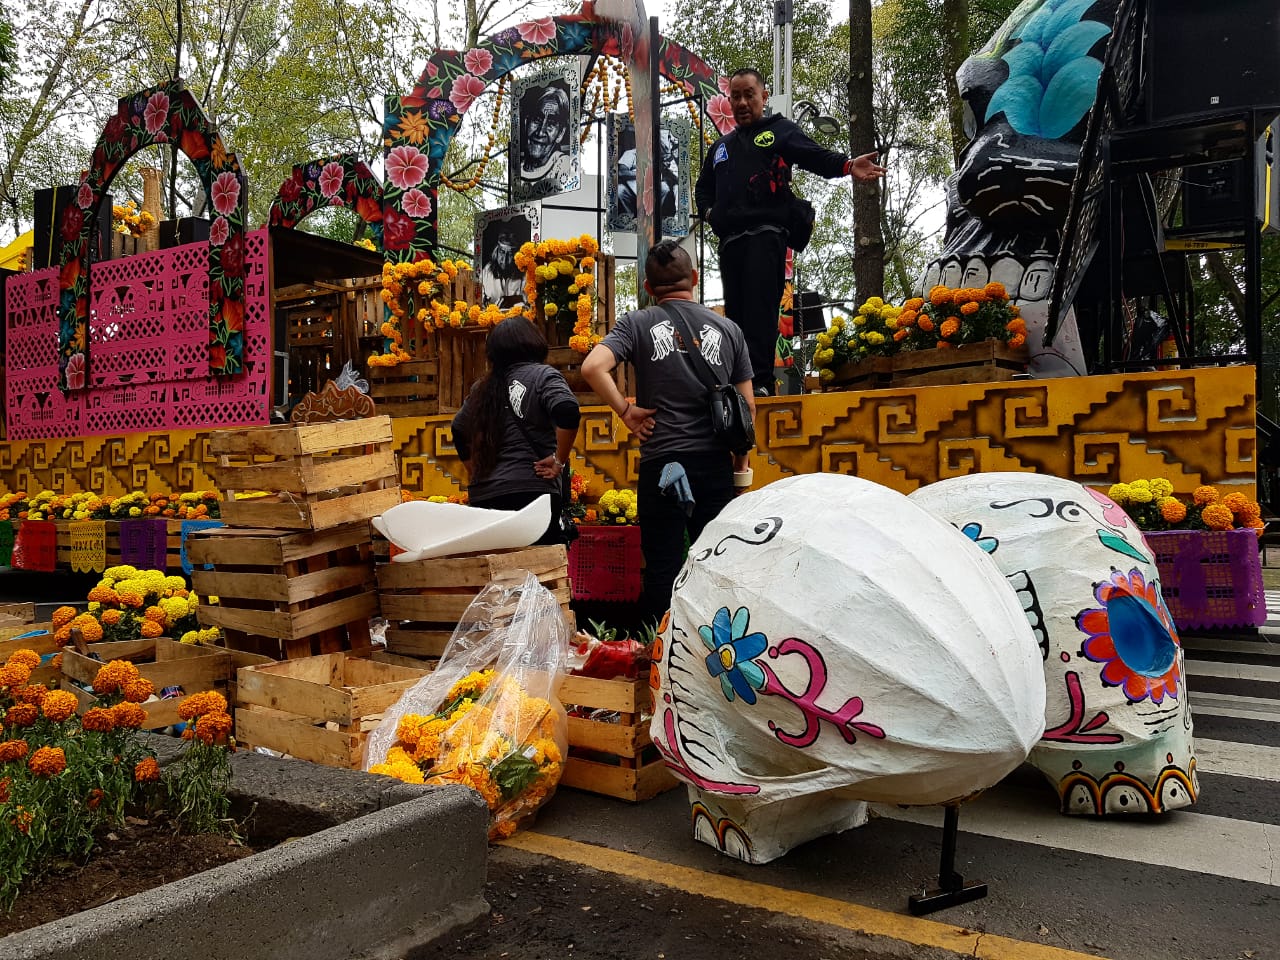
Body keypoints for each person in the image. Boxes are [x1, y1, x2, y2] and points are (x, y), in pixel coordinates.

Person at [581, 239, 754, 623]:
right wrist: (740, 475)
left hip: (662, 464)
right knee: (717, 567)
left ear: (648, 288)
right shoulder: (729, 330)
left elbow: (592, 367)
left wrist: (626, 410)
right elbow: (747, 410)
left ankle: (658, 659)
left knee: (662, 567)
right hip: (714, 467)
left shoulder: (637, 323)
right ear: (694, 278)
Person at [695, 67, 886, 396]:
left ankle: (761, 383)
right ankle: (740, 383)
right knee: (735, 314)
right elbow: (703, 189)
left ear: (763, 97)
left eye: (748, 95)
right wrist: (711, 213)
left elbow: (813, 155)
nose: (742, 102)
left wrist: (847, 165)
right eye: (735, 96)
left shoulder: (779, 131)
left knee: (761, 309)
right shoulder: (721, 147)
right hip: (730, 243)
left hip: (767, 235)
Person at [451, 318, 580, 544]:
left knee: (499, 570)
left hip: (486, 498)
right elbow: (567, 410)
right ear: (534, 342)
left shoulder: (481, 388)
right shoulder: (543, 376)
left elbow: (459, 430)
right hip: (532, 494)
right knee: (540, 570)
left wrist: (476, 472)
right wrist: (559, 460)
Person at [517, 83, 573, 192]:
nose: (540, 132)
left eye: (551, 124)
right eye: (537, 120)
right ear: (526, 123)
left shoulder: (564, 166)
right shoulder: (516, 169)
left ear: (560, 133)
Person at [479, 222, 525, 308]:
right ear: (496, 251)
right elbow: (478, 298)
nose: (504, 259)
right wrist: (484, 301)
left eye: (510, 254)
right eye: (502, 252)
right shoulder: (486, 271)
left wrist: (516, 299)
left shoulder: (524, 273)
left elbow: (530, 303)